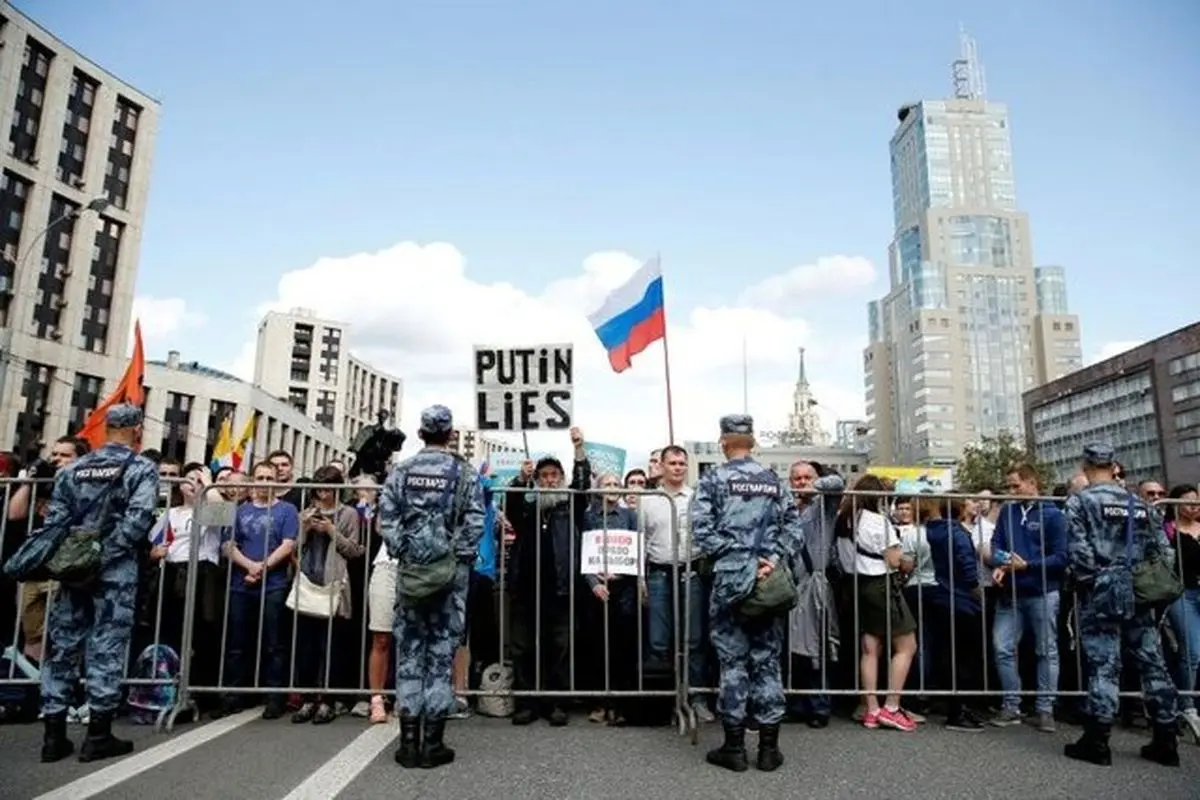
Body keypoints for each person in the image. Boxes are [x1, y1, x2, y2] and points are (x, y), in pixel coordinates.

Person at [36, 404, 160, 763]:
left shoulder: (74, 468)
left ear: (107, 428)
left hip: (73, 570)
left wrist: (76, 559)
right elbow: (138, 520)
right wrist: (103, 556)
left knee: (62, 648)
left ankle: (53, 735)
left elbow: (55, 521)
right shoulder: (140, 468)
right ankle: (98, 735)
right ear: (137, 429)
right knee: (106, 647)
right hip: (113, 572)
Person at [690, 414, 800, 773]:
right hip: (769, 581)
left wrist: (740, 559)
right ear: (751, 441)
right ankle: (769, 749)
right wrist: (769, 560)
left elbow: (702, 531)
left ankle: (734, 748)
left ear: (723, 441)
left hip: (730, 581)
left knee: (733, 662)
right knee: (767, 661)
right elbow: (792, 530)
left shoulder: (713, 479)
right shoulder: (773, 481)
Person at [379, 405, 485, 769]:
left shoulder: (402, 471)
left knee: (409, 652)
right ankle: (433, 743)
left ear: (421, 433)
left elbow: (387, 518)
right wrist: (455, 558)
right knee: (441, 654)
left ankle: (408, 742)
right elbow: (475, 521)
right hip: (449, 576)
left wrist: (407, 552)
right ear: (450, 433)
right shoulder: (464, 472)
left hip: (411, 573)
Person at [1064, 443, 1179, 768]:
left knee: (1104, 665)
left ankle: (1098, 741)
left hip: (1102, 593)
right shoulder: (1139, 503)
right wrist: (1142, 580)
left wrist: (1098, 579)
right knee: (1152, 663)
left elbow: (1079, 553)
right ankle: (1166, 739)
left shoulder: (1080, 502)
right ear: (1113, 465)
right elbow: (1164, 552)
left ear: (1086, 465)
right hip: (1140, 592)